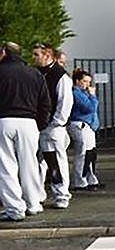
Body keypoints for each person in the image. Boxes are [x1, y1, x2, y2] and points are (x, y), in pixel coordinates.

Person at [0, 42, 50, 221]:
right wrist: (40, 124)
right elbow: (45, 102)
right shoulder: (34, 73)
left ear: (4, 53)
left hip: (4, 120)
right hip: (29, 123)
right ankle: (33, 203)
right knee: (30, 164)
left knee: (7, 166)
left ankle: (14, 208)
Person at [32, 43, 73, 209]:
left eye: (37, 55)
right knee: (39, 162)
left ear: (47, 55)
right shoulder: (39, 73)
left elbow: (65, 102)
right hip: (41, 125)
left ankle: (62, 194)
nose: (34, 58)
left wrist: (56, 123)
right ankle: (38, 193)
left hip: (52, 127)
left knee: (55, 162)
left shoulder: (60, 76)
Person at [68, 69, 102, 191]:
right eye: (84, 81)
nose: (87, 84)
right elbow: (89, 108)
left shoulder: (84, 93)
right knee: (82, 154)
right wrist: (93, 96)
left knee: (91, 154)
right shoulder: (76, 93)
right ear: (77, 81)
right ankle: (80, 181)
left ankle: (91, 178)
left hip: (89, 126)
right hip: (79, 125)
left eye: (89, 82)